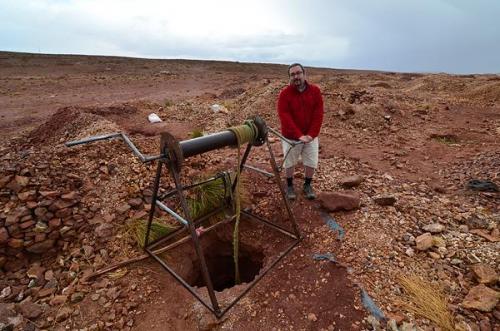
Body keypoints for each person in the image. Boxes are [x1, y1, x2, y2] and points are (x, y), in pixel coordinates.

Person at [277, 63, 324, 200]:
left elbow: (318, 113)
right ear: (290, 77)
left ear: (304, 74)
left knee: (311, 160)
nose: (296, 76)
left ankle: (307, 185)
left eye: (298, 73)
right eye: (293, 74)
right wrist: (299, 135)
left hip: (310, 136)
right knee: (290, 161)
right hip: (291, 136)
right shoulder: (284, 94)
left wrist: (311, 134)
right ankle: (290, 185)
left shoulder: (315, 91)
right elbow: (285, 116)